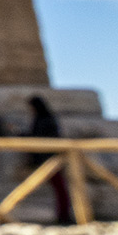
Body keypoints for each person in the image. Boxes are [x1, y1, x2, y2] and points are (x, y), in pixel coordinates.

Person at [28, 95, 75, 225]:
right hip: (47, 159)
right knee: (59, 188)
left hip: (50, 160)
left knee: (60, 188)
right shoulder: (45, 119)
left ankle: (64, 216)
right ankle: (62, 215)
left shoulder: (45, 120)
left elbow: (39, 137)